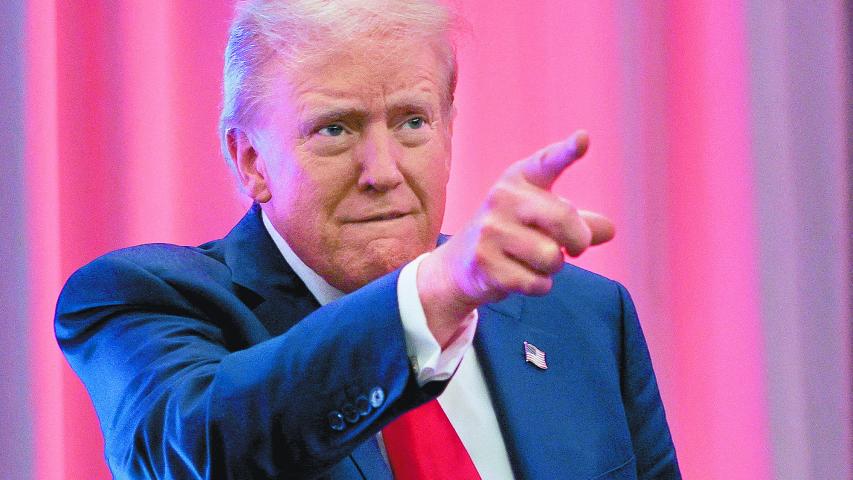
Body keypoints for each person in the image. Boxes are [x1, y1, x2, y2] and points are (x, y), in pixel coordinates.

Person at [55, 0, 680, 478]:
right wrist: (431, 296)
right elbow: (195, 450)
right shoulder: (141, 300)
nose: (383, 171)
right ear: (250, 160)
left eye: (412, 121)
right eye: (334, 129)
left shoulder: (585, 318)